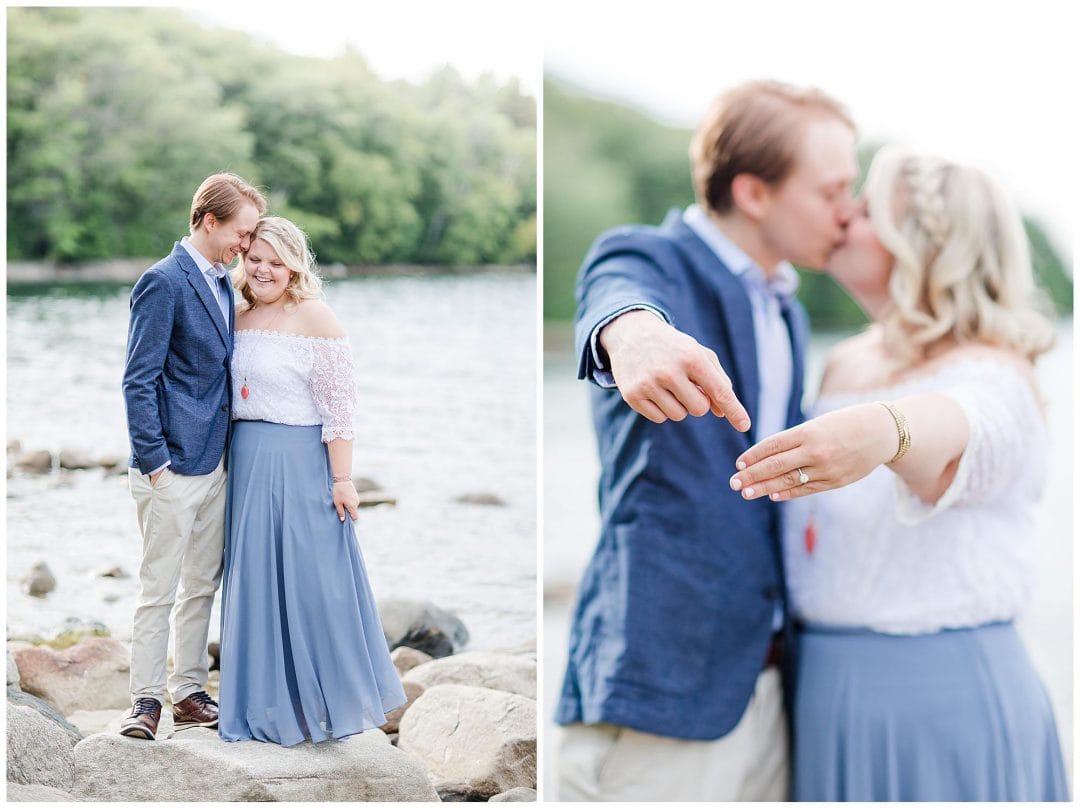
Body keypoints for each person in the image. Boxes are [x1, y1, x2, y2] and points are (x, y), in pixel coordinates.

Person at [730, 145, 1070, 801]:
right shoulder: (844, 362)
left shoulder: (995, 368)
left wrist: (887, 430)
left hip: (943, 696)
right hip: (823, 688)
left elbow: (971, 427)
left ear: (916, 245)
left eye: (860, 211)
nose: (841, 220)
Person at [555, 80, 858, 801]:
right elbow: (616, 293)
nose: (849, 212)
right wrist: (634, 335)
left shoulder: (788, 310)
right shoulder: (649, 256)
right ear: (754, 193)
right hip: (666, 675)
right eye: (831, 191)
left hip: (769, 678)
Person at [216, 216, 406, 745]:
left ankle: (321, 708)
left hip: (301, 461)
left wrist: (342, 479)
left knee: (313, 583)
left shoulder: (315, 317)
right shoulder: (236, 314)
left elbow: (339, 408)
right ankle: (257, 707)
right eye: (256, 258)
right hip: (246, 461)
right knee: (254, 583)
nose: (263, 270)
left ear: (295, 265)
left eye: (276, 262)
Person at [121, 173, 267, 739]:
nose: (247, 245)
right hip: (170, 468)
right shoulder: (163, 281)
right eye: (242, 231)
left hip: (217, 462)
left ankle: (186, 692)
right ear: (210, 221)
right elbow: (138, 380)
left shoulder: (223, 284)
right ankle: (144, 703)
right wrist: (154, 460)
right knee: (158, 587)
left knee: (201, 584)